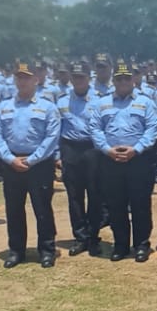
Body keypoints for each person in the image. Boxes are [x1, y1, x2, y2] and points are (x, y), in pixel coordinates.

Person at [0, 61, 61, 268]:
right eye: (19, 77)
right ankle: (16, 251)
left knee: (42, 209)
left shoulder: (48, 107)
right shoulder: (4, 107)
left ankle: (46, 250)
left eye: (26, 77)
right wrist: (10, 159)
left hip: (38, 165)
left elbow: (51, 137)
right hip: (11, 163)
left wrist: (31, 160)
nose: (22, 81)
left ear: (36, 80)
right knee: (14, 210)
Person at [92, 61, 157, 261]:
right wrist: (107, 149)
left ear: (133, 80)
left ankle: (141, 245)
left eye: (126, 78)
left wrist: (136, 149)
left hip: (138, 159)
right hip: (110, 159)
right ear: (113, 81)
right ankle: (120, 245)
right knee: (116, 204)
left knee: (140, 204)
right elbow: (95, 128)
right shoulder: (102, 103)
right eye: (119, 79)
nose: (123, 82)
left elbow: (152, 128)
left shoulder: (146, 102)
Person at [56, 61, 104, 256]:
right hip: (70, 149)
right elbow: (56, 131)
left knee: (95, 195)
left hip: (92, 149)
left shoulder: (100, 100)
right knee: (74, 196)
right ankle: (80, 236)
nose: (78, 81)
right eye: (75, 77)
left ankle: (93, 237)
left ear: (88, 78)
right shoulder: (61, 101)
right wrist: (56, 156)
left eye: (82, 77)